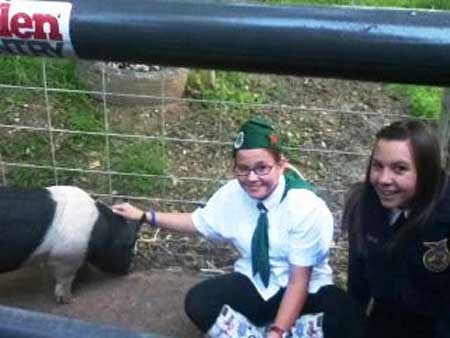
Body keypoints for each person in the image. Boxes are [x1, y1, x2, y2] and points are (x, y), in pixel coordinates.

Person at [113, 117, 363, 338]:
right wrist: (146, 216)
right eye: (243, 169)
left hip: (304, 288)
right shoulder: (233, 193)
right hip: (258, 283)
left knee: (346, 316)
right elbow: (198, 222)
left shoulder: (304, 205)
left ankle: (269, 331)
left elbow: (299, 281)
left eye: (262, 168)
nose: (252, 178)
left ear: (281, 164)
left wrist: (277, 332)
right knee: (199, 301)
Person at [344, 120, 450, 338]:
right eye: (377, 165)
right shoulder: (363, 206)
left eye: (399, 169)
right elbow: (358, 287)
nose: (383, 179)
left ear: (427, 172)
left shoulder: (445, 216)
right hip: (385, 320)